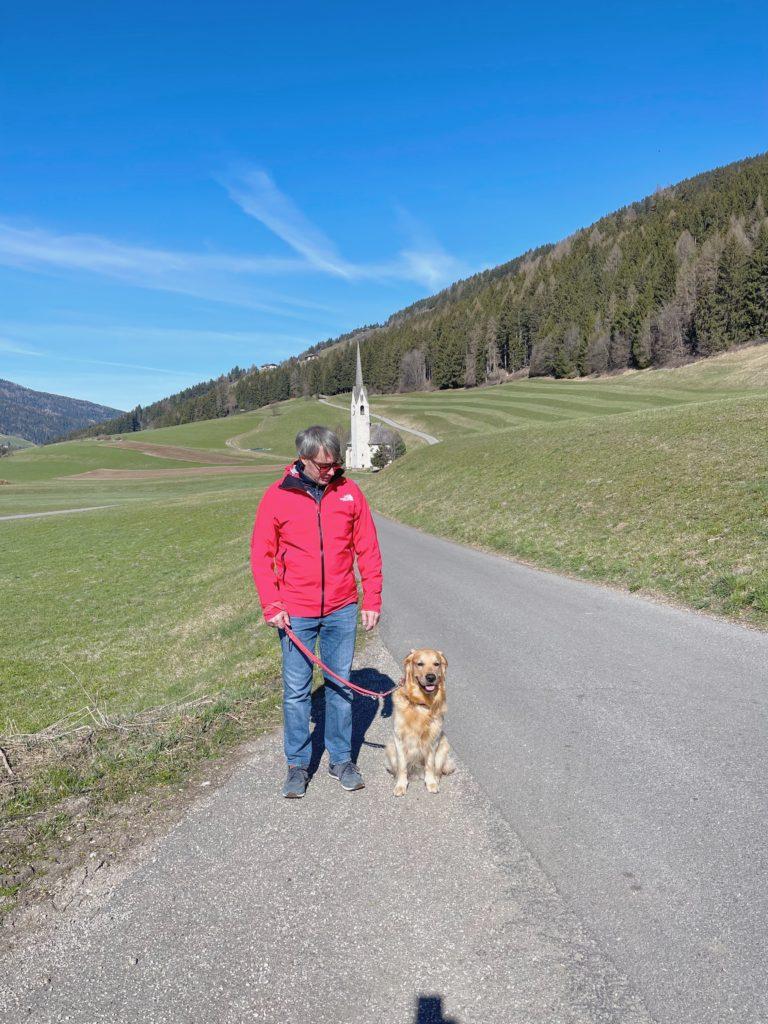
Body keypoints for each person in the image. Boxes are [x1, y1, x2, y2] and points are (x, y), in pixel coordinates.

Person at [250, 425, 383, 799]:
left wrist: (371, 597)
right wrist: (272, 604)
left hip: (342, 608)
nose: (331, 471)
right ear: (303, 459)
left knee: (340, 686)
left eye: (335, 463)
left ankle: (341, 759)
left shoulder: (350, 493)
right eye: (323, 465)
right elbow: (262, 556)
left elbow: (368, 549)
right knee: (296, 692)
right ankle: (297, 764)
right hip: (296, 613)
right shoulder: (277, 497)